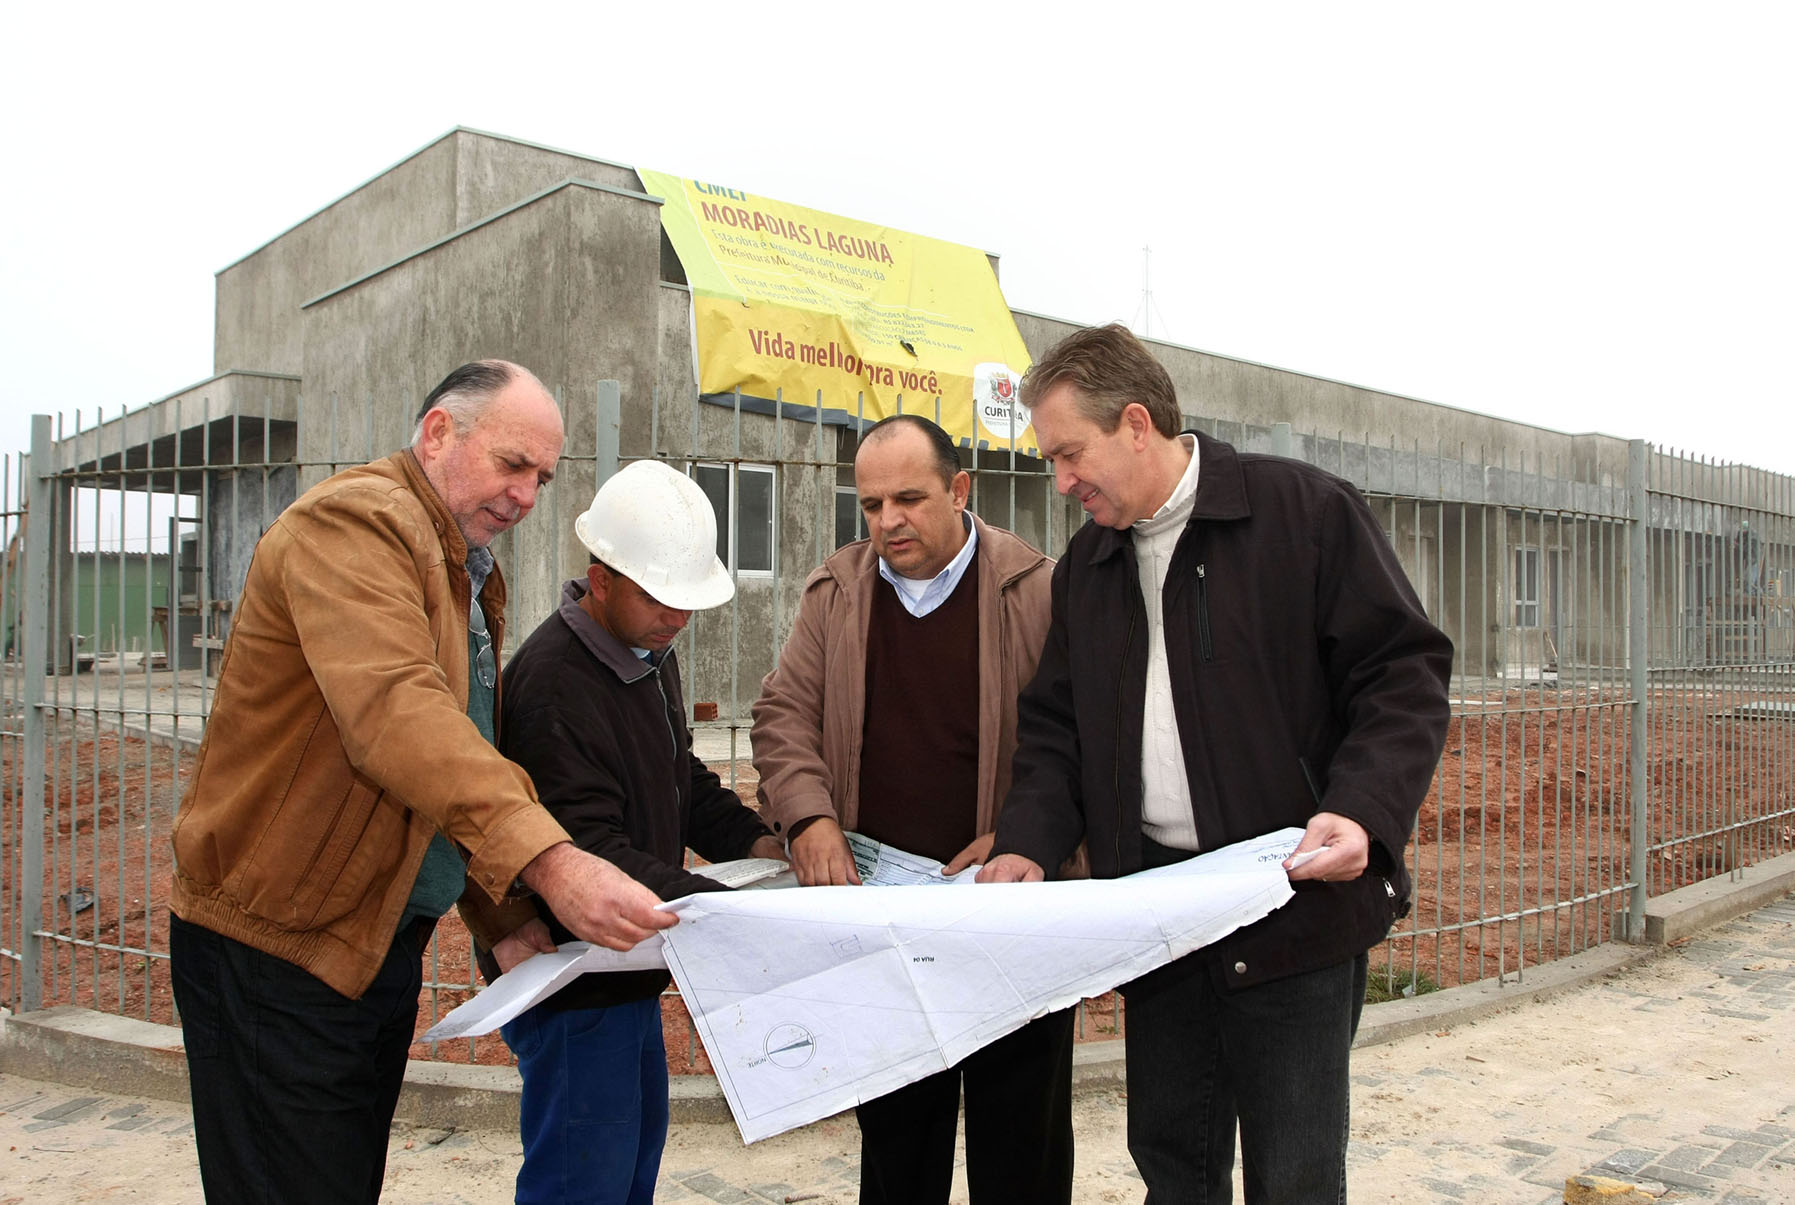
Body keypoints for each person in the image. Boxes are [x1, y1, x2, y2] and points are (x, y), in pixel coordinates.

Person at [167, 360, 676, 1204]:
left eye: (542, 479)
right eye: (513, 464)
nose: (525, 495)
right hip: (274, 945)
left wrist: (503, 914)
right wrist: (550, 862)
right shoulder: (353, 526)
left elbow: (455, 755)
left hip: (362, 942)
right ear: (439, 432)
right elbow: (398, 718)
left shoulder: (459, 567)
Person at [979, 325, 1453, 1203]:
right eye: (1050, 459)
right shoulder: (1089, 562)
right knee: (1174, 1162)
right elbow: (1055, 729)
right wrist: (1027, 843)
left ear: (1133, 423)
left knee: (1296, 1175)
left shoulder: (1303, 514)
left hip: (1289, 901)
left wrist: (1360, 809)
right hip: (1158, 910)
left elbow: (1403, 676)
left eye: (1069, 453)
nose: (1061, 480)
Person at [751, 414, 1076, 1204]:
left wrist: (1026, 835)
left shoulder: (1033, 587)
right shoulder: (836, 592)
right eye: (868, 504)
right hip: (885, 923)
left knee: (1020, 1143)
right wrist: (809, 817)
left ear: (959, 490)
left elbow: (1082, 731)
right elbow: (782, 716)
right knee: (897, 1141)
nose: (886, 521)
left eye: (907, 498)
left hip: (1007, 914)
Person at [488, 460, 787, 1204]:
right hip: (571, 977)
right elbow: (586, 851)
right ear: (601, 579)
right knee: (581, 1178)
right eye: (661, 597)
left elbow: (677, 779)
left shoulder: (648, 650)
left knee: (629, 1164)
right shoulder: (553, 684)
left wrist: (759, 847)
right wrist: (723, 907)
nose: (678, 617)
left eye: (688, 601)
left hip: (625, 965)